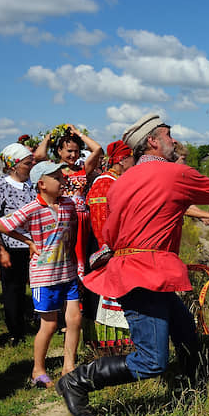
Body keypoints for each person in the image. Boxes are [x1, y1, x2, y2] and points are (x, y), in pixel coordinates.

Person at [56, 114, 209, 416]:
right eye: (168, 135)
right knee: (151, 361)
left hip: (135, 270)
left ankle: (193, 386)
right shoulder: (172, 173)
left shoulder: (124, 182)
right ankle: (77, 382)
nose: (173, 141)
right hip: (145, 274)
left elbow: (109, 231)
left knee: (185, 328)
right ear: (153, 141)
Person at [0, 161, 81, 388]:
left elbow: (73, 231)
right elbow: (1, 224)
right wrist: (28, 241)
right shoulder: (32, 208)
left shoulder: (68, 205)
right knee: (50, 325)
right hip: (45, 276)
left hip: (67, 272)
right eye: (57, 178)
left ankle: (68, 365)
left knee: (75, 320)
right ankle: (38, 370)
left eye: (62, 177)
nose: (63, 181)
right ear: (41, 184)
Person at [82, 140, 136, 352]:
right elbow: (100, 221)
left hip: (116, 247)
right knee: (103, 296)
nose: (135, 162)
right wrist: (109, 249)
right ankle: (105, 346)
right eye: (132, 158)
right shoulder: (104, 183)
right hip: (105, 248)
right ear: (122, 160)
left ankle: (122, 344)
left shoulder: (116, 180)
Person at [0, 143, 36, 343]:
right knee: (14, 291)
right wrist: (0, 250)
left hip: (36, 246)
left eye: (31, 162)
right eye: (27, 163)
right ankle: (16, 332)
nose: (31, 166)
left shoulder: (34, 183)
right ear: (13, 166)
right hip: (13, 247)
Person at [35, 125, 103, 278]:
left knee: (83, 256)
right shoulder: (54, 169)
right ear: (59, 151)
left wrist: (78, 133)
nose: (73, 155)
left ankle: (82, 293)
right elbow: (39, 155)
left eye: (76, 151)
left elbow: (97, 149)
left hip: (82, 220)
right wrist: (51, 135)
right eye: (69, 151)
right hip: (62, 218)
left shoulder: (82, 168)